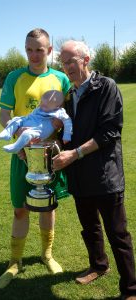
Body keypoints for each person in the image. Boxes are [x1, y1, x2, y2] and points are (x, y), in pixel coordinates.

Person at [52, 40, 136, 300]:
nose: (67, 68)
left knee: (117, 233)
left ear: (86, 60)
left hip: (104, 174)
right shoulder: (69, 94)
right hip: (79, 175)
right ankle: (99, 265)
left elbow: (110, 132)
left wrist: (74, 154)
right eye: (63, 63)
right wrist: (50, 142)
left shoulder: (106, 87)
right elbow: (66, 133)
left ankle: (131, 288)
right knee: (89, 227)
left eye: (71, 62)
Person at [0, 28, 71, 289]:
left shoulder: (61, 79)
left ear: (50, 50)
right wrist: (19, 141)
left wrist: (58, 139)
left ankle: (47, 255)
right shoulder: (14, 77)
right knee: (20, 209)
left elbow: (67, 117)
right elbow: (5, 116)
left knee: (48, 206)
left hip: (49, 156)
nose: (34, 54)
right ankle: (14, 262)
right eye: (29, 49)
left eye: (39, 49)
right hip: (23, 155)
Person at [0, 90, 72, 153]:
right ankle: (7, 133)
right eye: (41, 103)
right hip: (32, 121)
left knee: (27, 134)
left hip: (40, 129)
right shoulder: (42, 107)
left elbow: (67, 122)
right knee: (16, 119)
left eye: (45, 106)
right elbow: (33, 115)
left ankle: (16, 147)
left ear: (56, 107)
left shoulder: (59, 112)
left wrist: (67, 135)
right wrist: (24, 120)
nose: (41, 106)